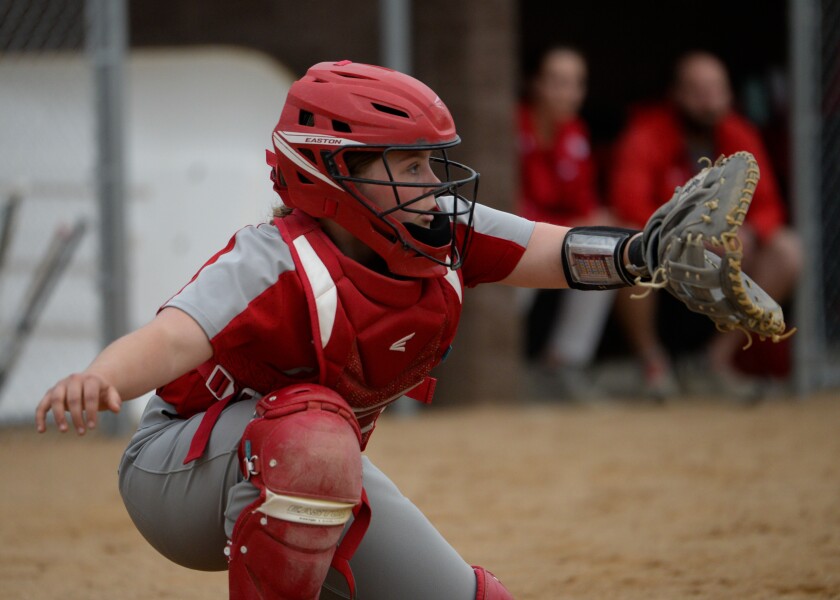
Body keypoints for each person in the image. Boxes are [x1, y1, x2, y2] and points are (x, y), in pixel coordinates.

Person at [34, 60, 761, 599]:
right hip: (178, 474)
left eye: (430, 161)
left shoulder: (436, 232)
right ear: (334, 174)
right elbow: (171, 340)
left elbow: (550, 248)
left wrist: (644, 255)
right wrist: (101, 377)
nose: (433, 183)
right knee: (314, 433)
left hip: (308, 466)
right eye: (409, 164)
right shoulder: (271, 258)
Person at [607, 50, 802, 398]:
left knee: (787, 249)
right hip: (664, 258)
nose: (709, 101)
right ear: (677, 93)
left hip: (725, 262)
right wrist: (688, 233)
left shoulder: (739, 134)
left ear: (729, 94)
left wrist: (750, 231)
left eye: (716, 89)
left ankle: (715, 361)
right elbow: (628, 203)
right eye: (698, 90)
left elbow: (770, 205)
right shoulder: (648, 132)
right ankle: (654, 365)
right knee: (624, 241)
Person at [516, 46, 615, 397]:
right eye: (557, 82)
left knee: (606, 252)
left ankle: (562, 366)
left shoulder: (575, 132)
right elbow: (512, 210)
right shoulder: (514, 126)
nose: (568, 93)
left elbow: (585, 205)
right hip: (515, 239)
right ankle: (504, 371)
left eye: (576, 84)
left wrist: (588, 221)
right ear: (536, 84)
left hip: (552, 235)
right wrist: (572, 222)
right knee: (513, 279)